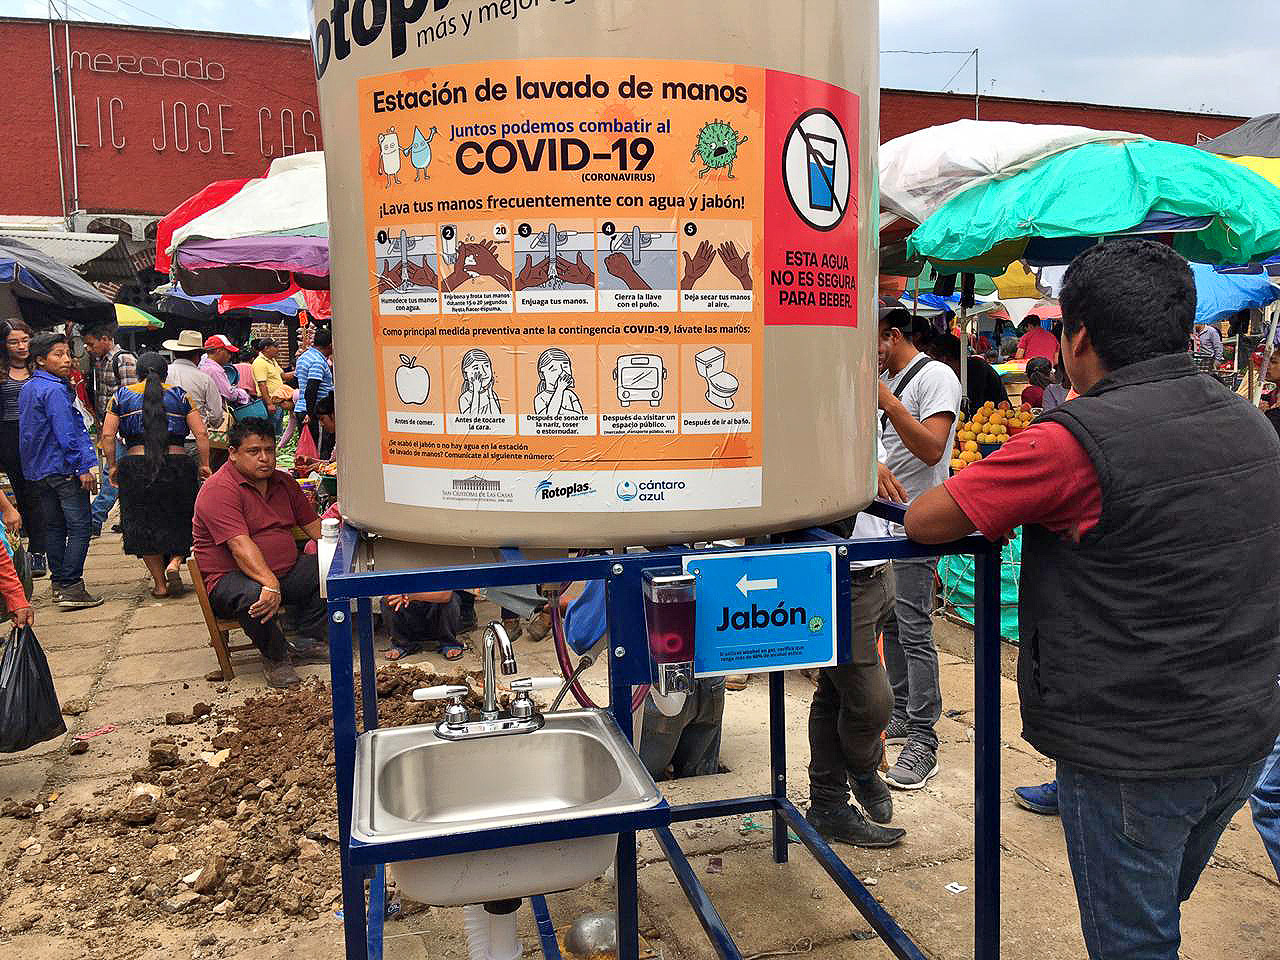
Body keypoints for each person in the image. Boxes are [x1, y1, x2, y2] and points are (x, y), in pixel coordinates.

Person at [904, 240, 1280, 960]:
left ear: (1076, 339)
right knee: (1152, 909)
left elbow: (928, 519)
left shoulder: (1070, 442)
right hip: (1241, 733)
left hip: (1132, 752)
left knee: (1132, 940)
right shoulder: (1249, 422)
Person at [805, 440, 908, 849]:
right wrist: (862, 469)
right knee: (871, 701)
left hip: (878, 568)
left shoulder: (862, 400)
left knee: (834, 692)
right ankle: (862, 768)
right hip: (841, 576)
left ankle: (828, 804)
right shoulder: (826, 401)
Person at [876, 308, 961, 790]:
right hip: (884, 523)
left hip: (920, 521)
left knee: (914, 627)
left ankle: (924, 736)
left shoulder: (937, 377)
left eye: (876, 346)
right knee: (892, 622)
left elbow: (932, 448)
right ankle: (904, 712)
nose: (874, 358)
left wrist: (888, 402)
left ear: (893, 336)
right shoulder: (894, 380)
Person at [192, 418, 328, 689]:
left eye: (269, 450)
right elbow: (240, 546)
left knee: (327, 567)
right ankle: (276, 657)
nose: (264, 458)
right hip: (230, 579)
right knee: (253, 594)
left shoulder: (284, 483)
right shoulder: (218, 490)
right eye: (254, 452)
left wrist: (341, 550)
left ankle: (305, 639)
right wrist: (269, 582)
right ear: (233, 453)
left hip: (283, 572)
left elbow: (315, 527)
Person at [101, 353, 210, 599]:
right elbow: (201, 434)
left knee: (142, 524)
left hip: (136, 467)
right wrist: (204, 464)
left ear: (138, 372)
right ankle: (175, 561)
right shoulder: (180, 395)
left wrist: (113, 465)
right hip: (177, 465)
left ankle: (160, 585)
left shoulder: (120, 396)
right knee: (182, 517)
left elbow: (108, 437)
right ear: (165, 373)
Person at [19, 333, 102, 609]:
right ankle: (70, 585)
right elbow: (66, 432)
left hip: (39, 470)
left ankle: (59, 584)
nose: (66, 359)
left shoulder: (29, 387)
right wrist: (82, 468)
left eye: (67, 353)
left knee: (54, 526)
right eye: (58, 354)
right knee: (80, 526)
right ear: (41, 360)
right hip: (63, 467)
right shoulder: (54, 390)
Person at [81, 319, 137, 539]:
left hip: (121, 430)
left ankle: (94, 520)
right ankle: (128, 519)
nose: (88, 348)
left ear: (105, 339)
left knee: (112, 474)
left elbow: (131, 397)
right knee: (122, 475)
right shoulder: (102, 361)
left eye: (91, 343)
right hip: (110, 427)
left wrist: (121, 431)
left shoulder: (122, 359)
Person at [0, 319, 47, 578]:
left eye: (24, 340)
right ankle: (22, 553)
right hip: (8, 436)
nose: (20, 346)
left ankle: (39, 551)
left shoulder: (41, 367)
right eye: (13, 341)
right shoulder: (1, 371)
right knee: (22, 494)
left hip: (38, 436)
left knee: (38, 495)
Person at [161, 329, 224, 439]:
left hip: (164, 437)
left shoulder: (162, 373)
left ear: (175, 353)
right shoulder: (205, 379)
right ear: (197, 356)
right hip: (194, 438)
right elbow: (216, 416)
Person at [926, 332, 1009, 414]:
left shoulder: (976, 369)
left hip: (994, 418)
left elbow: (975, 407)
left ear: (944, 359)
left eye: (932, 359)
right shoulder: (949, 375)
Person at [382, 591, 463, 661]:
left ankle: (449, 643)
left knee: (451, 600)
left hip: (435, 615)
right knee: (388, 601)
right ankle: (401, 644)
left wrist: (410, 596)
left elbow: (446, 595)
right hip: (409, 614)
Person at [294, 327, 334, 445]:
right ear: (330, 345)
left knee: (308, 450)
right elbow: (311, 389)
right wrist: (310, 414)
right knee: (318, 450)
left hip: (303, 408)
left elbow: (299, 382)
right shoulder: (317, 362)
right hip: (314, 412)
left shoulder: (304, 357)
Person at [250, 338, 297, 437]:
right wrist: (269, 403)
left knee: (277, 431)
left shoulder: (272, 361)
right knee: (270, 432)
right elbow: (262, 384)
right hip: (269, 401)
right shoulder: (260, 363)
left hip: (278, 401)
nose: (278, 349)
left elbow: (283, 376)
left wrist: (300, 370)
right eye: (275, 346)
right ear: (266, 348)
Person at [199, 335, 250, 409]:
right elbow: (229, 394)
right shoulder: (214, 370)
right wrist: (242, 393)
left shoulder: (203, 365)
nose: (229, 356)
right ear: (219, 351)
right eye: (228, 352)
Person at [532, 348, 583, 416]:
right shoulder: (540, 398)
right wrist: (560, 389)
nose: (561, 372)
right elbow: (548, 417)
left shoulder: (570, 394)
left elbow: (581, 417)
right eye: (553, 369)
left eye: (565, 367)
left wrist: (560, 411)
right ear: (542, 374)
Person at [459, 349, 501, 415]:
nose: (484, 373)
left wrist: (490, 393)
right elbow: (471, 420)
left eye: (486, 366)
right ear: (465, 374)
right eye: (476, 368)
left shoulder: (492, 395)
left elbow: (498, 417)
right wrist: (476, 391)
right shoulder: (465, 398)